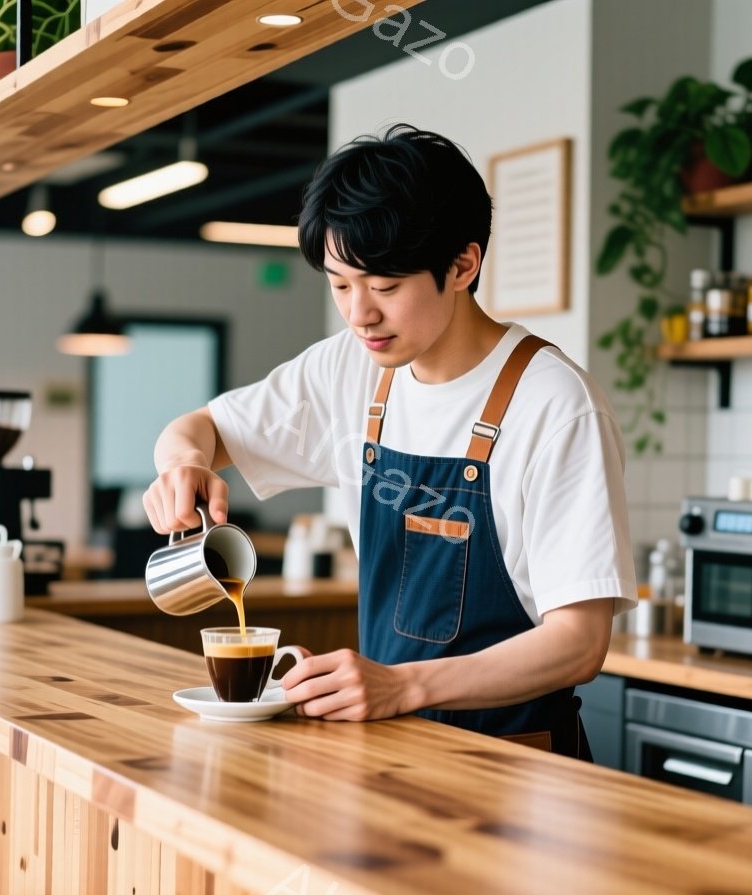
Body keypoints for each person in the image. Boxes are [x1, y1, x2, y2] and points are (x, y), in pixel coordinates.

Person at [145, 124, 636, 758]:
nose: (359, 315)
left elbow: (579, 642)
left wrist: (402, 686)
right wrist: (184, 464)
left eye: (384, 287)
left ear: (463, 265)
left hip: (519, 765)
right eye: (340, 285)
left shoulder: (556, 405)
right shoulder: (350, 369)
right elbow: (198, 428)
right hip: (384, 756)